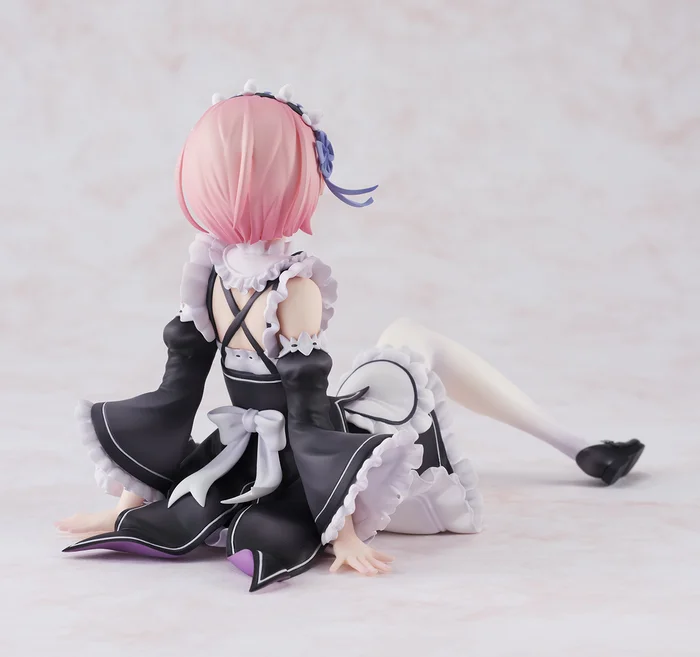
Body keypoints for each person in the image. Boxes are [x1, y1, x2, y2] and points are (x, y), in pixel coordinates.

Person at [58, 81, 644, 591]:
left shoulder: (208, 273)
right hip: (312, 475)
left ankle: (580, 447)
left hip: (236, 460)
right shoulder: (293, 286)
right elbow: (308, 415)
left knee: (405, 337)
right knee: (412, 338)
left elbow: (174, 398)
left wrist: (130, 503)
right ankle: (579, 446)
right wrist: (342, 527)